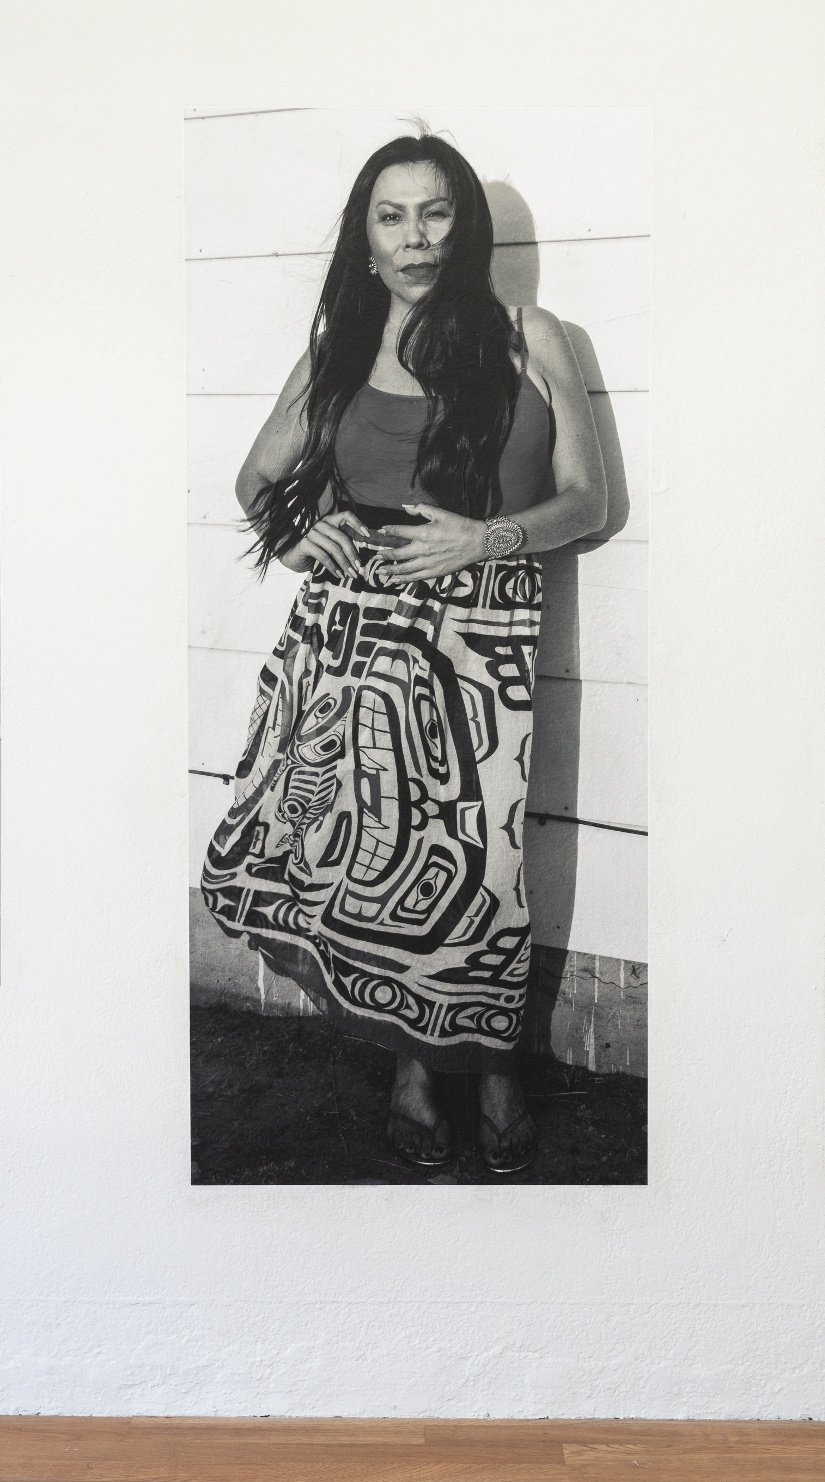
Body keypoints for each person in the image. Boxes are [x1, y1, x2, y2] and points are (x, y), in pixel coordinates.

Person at [201, 132, 607, 1174]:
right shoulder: (338, 345)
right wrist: (296, 537)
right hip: (348, 648)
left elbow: (587, 500)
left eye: (435, 212)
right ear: (367, 236)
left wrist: (487, 537)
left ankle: (498, 1058)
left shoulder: (532, 335)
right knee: (375, 870)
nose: (417, 236)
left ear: (462, 226)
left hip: (485, 651)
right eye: (394, 215)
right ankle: (418, 1067)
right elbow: (254, 478)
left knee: (484, 867)